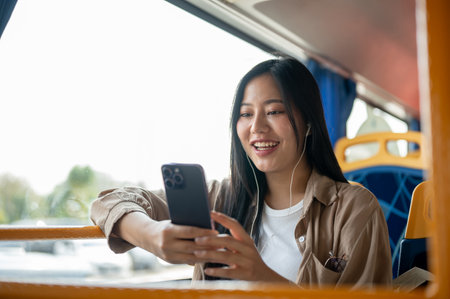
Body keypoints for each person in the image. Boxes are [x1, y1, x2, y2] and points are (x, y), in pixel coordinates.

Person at [90, 57, 392, 287]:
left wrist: (265, 280)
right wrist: (153, 234)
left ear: (310, 122)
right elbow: (109, 201)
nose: (257, 127)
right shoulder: (221, 198)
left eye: (274, 111)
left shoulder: (354, 210)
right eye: (246, 114)